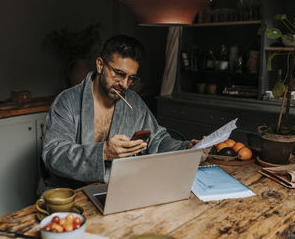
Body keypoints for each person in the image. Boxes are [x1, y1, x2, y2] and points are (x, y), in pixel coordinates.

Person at [42, 34, 205, 190]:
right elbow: (53, 154)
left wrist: (187, 148)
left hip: (121, 187)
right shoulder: (67, 101)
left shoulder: (134, 102)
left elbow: (158, 141)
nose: (125, 84)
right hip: (74, 189)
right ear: (100, 65)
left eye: (131, 78)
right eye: (119, 74)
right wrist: (103, 152)